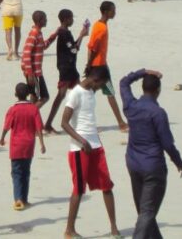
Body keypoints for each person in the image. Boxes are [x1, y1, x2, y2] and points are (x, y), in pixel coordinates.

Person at [120, 69, 182, 239]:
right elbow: (167, 143)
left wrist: (143, 72)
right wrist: (178, 161)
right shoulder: (158, 113)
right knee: (147, 212)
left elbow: (124, 83)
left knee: (145, 212)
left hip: (133, 164)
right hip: (153, 167)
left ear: (143, 88)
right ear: (158, 91)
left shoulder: (131, 106)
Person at [61, 65, 122, 239]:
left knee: (107, 186)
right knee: (79, 189)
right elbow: (64, 123)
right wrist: (82, 141)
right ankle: (69, 230)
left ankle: (113, 227)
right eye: (101, 84)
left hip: (96, 145)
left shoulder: (91, 92)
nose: (100, 88)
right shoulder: (75, 93)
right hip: (80, 149)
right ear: (95, 80)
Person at [0, 82, 45, 211]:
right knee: (26, 171)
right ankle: (24, 198)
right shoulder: (34, 109)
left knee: (16, 172)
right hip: (29, 145)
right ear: (28, 95)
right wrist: (42, 143)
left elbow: (7, 126)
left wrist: (2, 138)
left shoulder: (13, 109)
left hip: (16, 146)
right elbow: (39, 128)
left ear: (15, 95)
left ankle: (18, 199)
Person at [44, 9, 89, 134]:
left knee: (79, 93)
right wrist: (81, 35)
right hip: (66, 68)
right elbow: (74, 50)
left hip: (70, 68)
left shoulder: (64, 32)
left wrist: (81, 36)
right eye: (71, 18)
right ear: (65, 19)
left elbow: (74, 47)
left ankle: (79, 122)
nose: (72, 20)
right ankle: (48, 124)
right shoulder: (64, 33)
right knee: (62, 95)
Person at [86, 1, 129, 132]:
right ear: (105, 12)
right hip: (100, 68)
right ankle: (121, 123)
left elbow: (90, 47)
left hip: (99, 66)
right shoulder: (101, 28)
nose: (114, 12)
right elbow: (93, 48)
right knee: (109, 93)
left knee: (90, 94)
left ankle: (119, 122)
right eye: (112, 10)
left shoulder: (98, 24)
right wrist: (89, 65)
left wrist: (89, 64)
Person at [21, 11, 56, 110]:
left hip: (35, 72)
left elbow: (43, 46)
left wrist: (54, 36)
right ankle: (29, 116)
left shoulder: (38, 33)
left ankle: (30, 120)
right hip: (35, 72)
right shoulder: (34, 33)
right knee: (45, 97)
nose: (46, 20)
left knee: (34, 95)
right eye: (45, 18)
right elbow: (26, 53)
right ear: (40, 21)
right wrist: (30, 73)